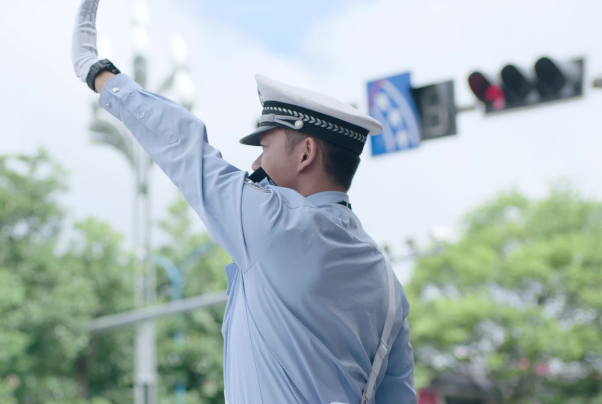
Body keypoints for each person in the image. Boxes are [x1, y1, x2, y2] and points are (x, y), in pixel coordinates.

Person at [72, 1, 417, 403]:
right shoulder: (388, 286)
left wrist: (98, 73)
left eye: (266, 146)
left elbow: (186, 148)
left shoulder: (277, 225)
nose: (255, 162)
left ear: (306, 153)